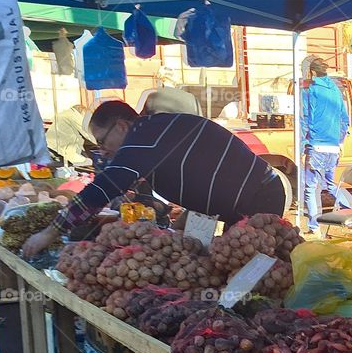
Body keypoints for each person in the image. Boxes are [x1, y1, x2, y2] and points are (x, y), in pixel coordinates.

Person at [22, 101, 285, 257]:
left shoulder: (143, 136)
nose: (103, 150)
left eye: (102, 141)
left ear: (122, 126)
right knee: (231, 266)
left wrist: (50, 232)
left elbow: (104, 187)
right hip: (241, 202)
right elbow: (200, 173)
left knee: (250, 273)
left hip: (259, 197)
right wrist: (182, 228)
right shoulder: (153, 131)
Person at [301, 56, 352, 237]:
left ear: (312, 72)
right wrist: (339, 142)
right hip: (333, 147)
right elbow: (344, 120)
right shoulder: (336, 91)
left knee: (310, 187)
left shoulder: (310, 91)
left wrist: (303, 146)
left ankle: (314, 228)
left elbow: (305, 120)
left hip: (316, 146)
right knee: (331, 185)